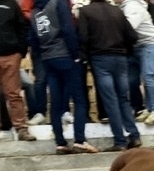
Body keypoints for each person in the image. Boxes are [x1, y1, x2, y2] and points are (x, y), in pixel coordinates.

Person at [28, 0, 98, 154]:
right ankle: (80, 140)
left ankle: (60, 143)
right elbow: (67, 28)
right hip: (65, 54)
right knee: (79, 99)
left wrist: (43, 55)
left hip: (48, 58)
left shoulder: (34, 11)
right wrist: (76, 54)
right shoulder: (58, 2)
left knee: (55, 102)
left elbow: (33, 38)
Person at [78, 0, 141, 151]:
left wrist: (84, 57)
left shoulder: (86, 11)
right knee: (123, 98)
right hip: (120, 58)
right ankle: (134, 135)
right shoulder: (117, 10)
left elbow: (83, 38)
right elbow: (132, 36)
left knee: (110, 100)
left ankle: (120, 141)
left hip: (100, 58)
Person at [120, 0, 154, 125]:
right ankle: (143, 108)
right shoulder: (123, 7)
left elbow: (129, 29)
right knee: (132, 79)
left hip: (150, 44)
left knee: (148, 76)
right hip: (135, 46)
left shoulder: (132, 6)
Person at [0, 0, 36, 141]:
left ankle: (21, 128)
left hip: (11, 55)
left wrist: (20, 52)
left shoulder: (11, 4)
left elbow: (22, 27)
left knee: (14, 94)